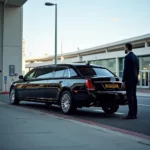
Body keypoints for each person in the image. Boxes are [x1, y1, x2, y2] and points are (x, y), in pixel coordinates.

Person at [122, 43, 139, 119]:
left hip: (129, 80)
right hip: (134, 79)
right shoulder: (136, 57)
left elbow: (126, 70)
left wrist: (123, 80)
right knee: (134, 96)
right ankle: (134, 114)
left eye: (124, 48)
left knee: (129, 97)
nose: (124, 49)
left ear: (127, 48)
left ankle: (130, 114)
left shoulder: (127, 57)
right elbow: (137, 70)